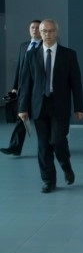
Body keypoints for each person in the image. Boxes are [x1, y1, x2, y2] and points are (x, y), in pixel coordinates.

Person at [17, 19, 83, 194]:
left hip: (60, 105)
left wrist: (79, 107)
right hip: (39, 106)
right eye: (44, 31)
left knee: (58, 140)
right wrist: (22, 108)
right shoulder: (31, 55)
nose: (47, 34)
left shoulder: (68, 55)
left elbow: (76, 83)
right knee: (43, 145)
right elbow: (25, 83)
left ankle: (66, 165)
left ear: (56, 32)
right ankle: (48, 180)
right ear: (40, 33)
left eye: (51, 31)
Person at [1, 20, 42, 157]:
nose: (34, 30)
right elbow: (20, 68)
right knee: (22, 117)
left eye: (37, 28)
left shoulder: (45, 47)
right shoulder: (24, 46)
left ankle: (49, 146)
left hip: (39, 90)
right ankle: (15, 147)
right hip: (24, 90)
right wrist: (15, 87)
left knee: (42, 120)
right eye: (32, 27)